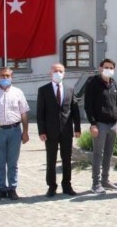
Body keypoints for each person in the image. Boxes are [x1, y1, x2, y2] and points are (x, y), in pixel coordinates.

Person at [0, 66, 30, 201]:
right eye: (2, 76)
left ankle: (12, 188)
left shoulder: (18, 92)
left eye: (7, 76)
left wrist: (25, 132)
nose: (5, 78)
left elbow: (24, 113)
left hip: (14, 130)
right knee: (0, 163)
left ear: (12, 77)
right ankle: (1, 189)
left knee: (13, 163)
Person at [36, 63, 81, 197]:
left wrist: (77, 128)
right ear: (50, 72)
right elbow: (40, 113)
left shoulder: (70, 89)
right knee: (51, 159)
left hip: (66, 130)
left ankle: (67, 186)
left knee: (66, 159)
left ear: (64, 73)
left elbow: (75, 110)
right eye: (55, 71)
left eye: (60, 71)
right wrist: (41, 131)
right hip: (50, 131)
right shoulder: (43, 90)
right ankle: (51, 186)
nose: (58, 73)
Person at [84, 58, 117, 194]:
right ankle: (96, 183)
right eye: (106, 67)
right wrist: (93, 124)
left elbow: (116, 105)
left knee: (108, 154)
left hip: (112, 124)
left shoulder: (114, 84)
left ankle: (105, 180)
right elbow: (88, 105)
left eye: (111, 67)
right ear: (100, 68)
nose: (109, 69)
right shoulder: (92, 82)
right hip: (99, 124)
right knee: (98, 154)